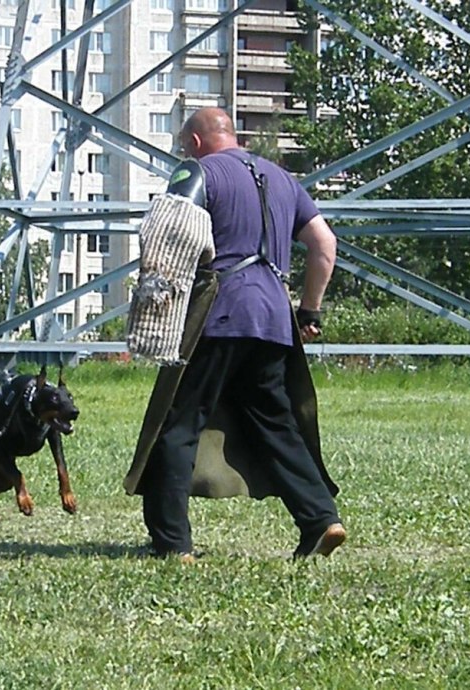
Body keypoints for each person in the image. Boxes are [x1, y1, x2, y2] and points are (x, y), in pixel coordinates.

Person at [131, 107, 345, 561]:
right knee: (275, 424)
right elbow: (325, 245)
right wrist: (310, 310)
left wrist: (157, 309)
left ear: (194, 142)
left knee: (179, 421)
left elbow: (169, 234)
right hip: (272, 318)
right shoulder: (284, 179)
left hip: (220, 311)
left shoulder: (198, 170)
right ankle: (321, 518)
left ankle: (172, 544)